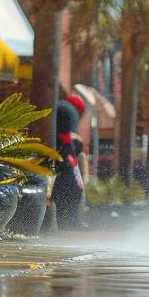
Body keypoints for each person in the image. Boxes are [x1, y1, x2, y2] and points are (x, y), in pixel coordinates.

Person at [52, 94, 87, 229]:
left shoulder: (62, 107)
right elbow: (67, 139)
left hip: (62, 159)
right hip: (66, 161)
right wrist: (69, 157)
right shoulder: (69, 112)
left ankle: (67, 222)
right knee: (72, 190)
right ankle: (69, 223)